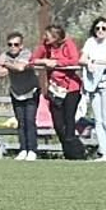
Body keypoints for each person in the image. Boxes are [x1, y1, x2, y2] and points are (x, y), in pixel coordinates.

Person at [32, 24, 83, 159]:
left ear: (55, 37)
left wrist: (56, 63)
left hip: (70, 88)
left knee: (69, 122)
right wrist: (44, 61)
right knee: (58, 124)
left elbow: (74, 60)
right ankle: (68, 152)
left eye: (47, 36)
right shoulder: (45, 46)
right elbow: (33, 60)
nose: (45, 38)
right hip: (55, 89)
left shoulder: (68, 44)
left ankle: (76, 154)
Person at [81, 17, 106, 162]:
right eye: (97, 28)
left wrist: (95, 62)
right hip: (93, 84)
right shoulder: (90, 42)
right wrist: (88, 63)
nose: (100, 31)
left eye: (103, 28)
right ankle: (103, 151)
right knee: (98, 119)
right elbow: (82, 59)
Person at [0, 31, 41, 159]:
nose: (13, 47)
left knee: (29, 121)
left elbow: (20, 68)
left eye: (16, 44)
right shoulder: (5, 55)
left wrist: (6, 64)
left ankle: (32, 150)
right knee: (20, 122)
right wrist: (5, 66)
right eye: (10, 44)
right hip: (16, 92)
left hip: (31, 91)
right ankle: (23, 149)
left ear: (21, 46)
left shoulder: (26, 53)